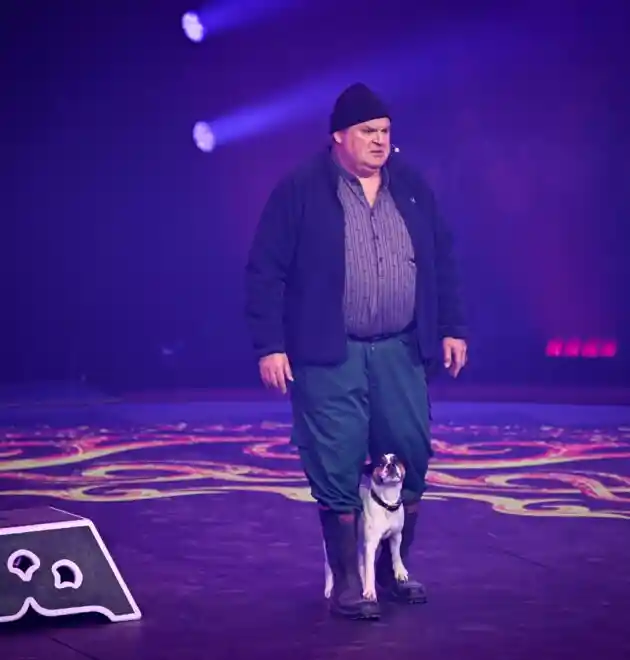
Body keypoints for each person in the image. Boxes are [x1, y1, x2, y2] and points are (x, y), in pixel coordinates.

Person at [244, 83, 468, 620]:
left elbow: (442, 260)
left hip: (399, 349)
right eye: (368, 132)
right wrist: (270, 345)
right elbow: (265, 271)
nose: (379, 140)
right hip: (329, 352)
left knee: (410, 451)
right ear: (338, 137)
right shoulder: (300, 189)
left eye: (385, 131)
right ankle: (349, 582)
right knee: (336, 457)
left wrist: (452, 326)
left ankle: (393, 570)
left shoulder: (410, 185)